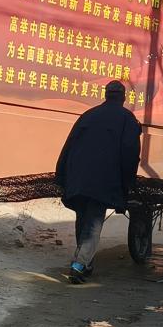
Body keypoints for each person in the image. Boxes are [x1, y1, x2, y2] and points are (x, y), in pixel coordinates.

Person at [53, 80, 143, 283]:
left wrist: (61, 175)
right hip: (104, 179)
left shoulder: (88, 115)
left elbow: (68, 145)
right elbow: (130, 154)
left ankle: (86, 263)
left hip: (77, 176)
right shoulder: (127, 119)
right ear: (123, 98)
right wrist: (128, 184)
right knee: (93, 223)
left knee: (83, 218)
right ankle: (79, 265)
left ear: (105, 95)